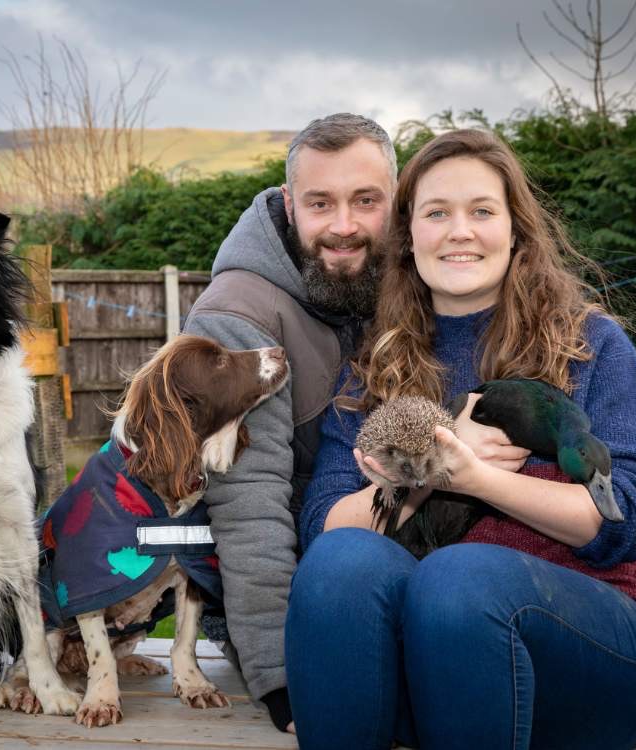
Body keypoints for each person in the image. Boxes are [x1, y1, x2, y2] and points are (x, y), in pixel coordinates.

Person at [286, 129, 636, 749]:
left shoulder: (590, 347)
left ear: (516, 228)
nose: (459, 231)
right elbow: (323, 524)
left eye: (482, 211)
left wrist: (472, 476)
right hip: (428, 676)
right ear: (407, 235)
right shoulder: (372, 365)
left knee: (457, 577)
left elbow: (629, 517)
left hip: (591, 665)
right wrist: (422, 468)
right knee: (338, 565)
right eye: (437, 213)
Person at [182, 113, 397, 732]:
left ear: (397, 200)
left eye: (366, 201)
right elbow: (247, 502)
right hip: (296, 593)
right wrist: (281, 673)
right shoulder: (236, 317)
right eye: (320, 203)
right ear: (287, 203)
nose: (344, 226)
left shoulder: (411, 280)